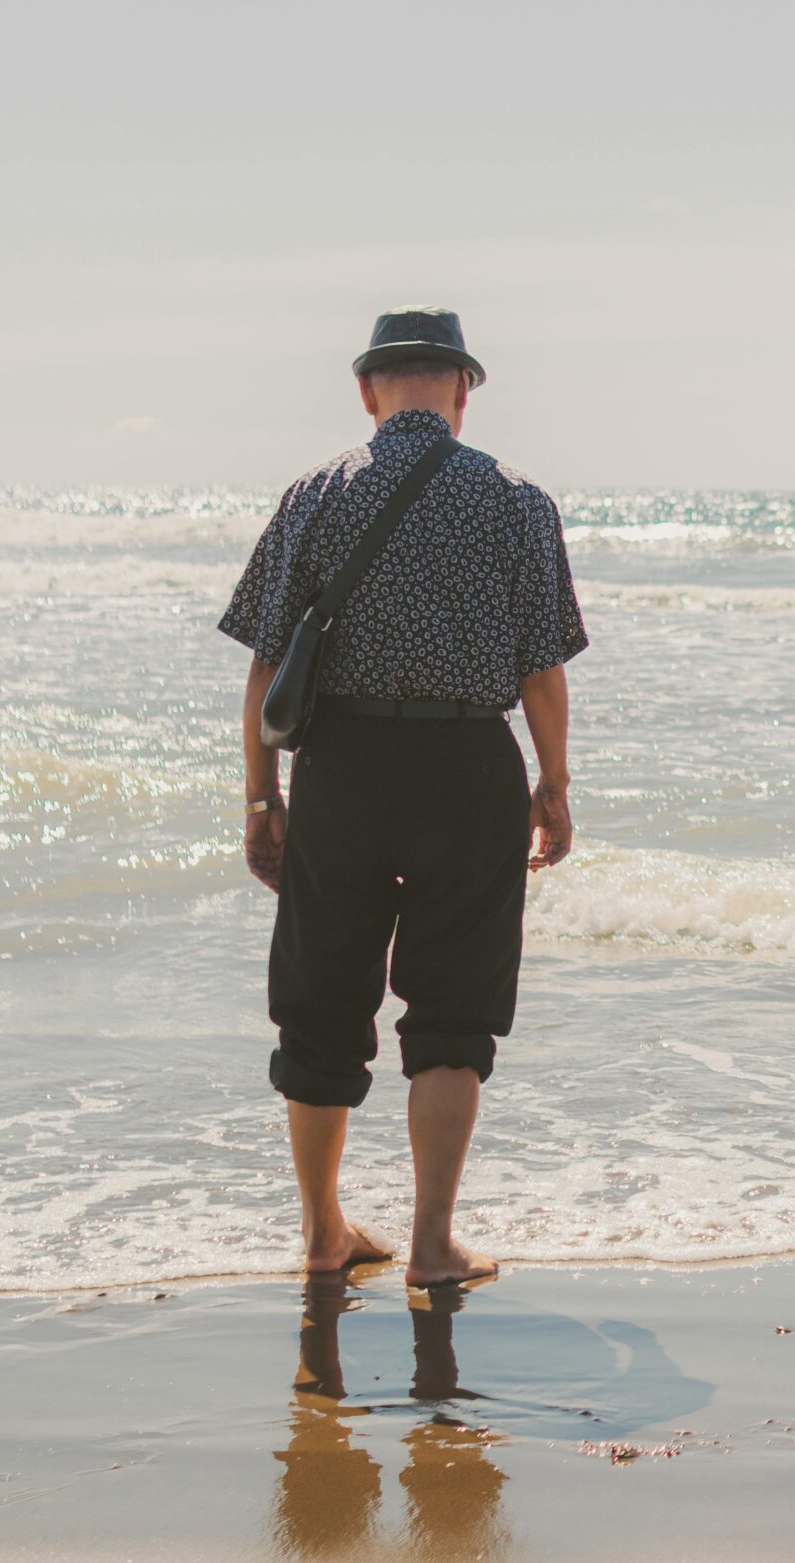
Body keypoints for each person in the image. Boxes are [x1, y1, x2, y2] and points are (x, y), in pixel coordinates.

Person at [221, 307, 585, 1288]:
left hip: (339, 765)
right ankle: (430, 1245)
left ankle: (323, 1233)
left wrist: (263, 800)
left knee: (321, 1004)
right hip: (469, 764)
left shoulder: (315, 493)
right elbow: (543, 671)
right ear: (463, 391)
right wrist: (551, 785)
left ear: (368, 391)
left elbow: (263, 669)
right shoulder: (516, 499)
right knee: (454, 1008)